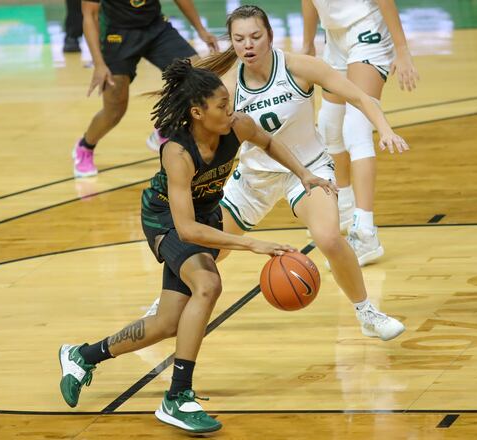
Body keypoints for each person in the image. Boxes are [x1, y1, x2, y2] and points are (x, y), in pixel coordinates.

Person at [58, 59, 336, 433]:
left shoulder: (237, 126)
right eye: (222, 106)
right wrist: (251, 243)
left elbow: (269, 141)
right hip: (165, 220)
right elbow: (186, 230)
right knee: (208, 285)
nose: (231, 111)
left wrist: (305, 174)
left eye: (229, 103)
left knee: (168, 322)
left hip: (202, 215)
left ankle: (83, 355)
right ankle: (177, 396)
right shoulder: (178, 152)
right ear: (197, 112)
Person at [147, 5, 407, 340]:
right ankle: (163, 307)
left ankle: (367, 312)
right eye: (240, 39)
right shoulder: (226, 86)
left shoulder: (298, 66)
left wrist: (384, 128)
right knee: (207, 250)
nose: (248, 44)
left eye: (255, 36)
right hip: (255, 177)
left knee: (328, 237)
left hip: (307, 168)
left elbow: (358, 95)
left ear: (270, 35)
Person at [302, 0, 419, 266]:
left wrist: (402, 50)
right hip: (335, 35)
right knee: (330, 125)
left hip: (367, 30)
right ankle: (343, 207)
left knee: (356, 128)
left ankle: (366, 232)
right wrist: (308, 43)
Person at [72, 0, 219, 177]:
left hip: (155, 27)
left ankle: (165, 129)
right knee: (115, 108)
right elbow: (90, 14)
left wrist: (201, 29)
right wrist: (99, 63)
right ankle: (85, 146)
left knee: (194, 76)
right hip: (117, 35)